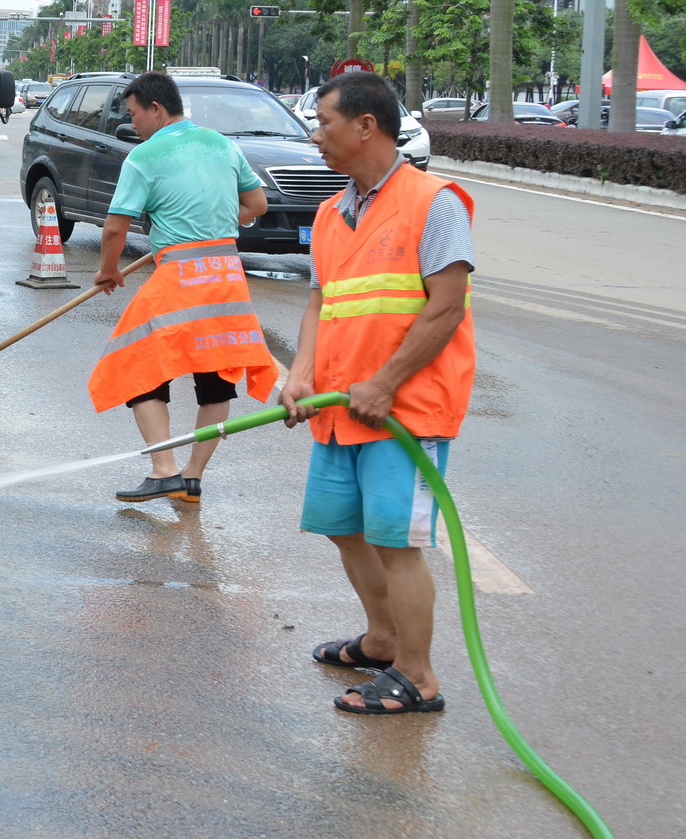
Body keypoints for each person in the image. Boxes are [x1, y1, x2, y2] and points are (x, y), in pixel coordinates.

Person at [278, 70, 475, 715]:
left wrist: (387, 383)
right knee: (345, 530)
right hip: (340, 407)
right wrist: (299, 374)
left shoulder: (433, 199)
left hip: (404, 412)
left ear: (366, 126)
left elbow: (445, 309)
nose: (316, 135)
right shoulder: (333, 213)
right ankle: (383, 640)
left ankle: (417, 678)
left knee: (397, 542)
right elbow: (318, 302)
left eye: (325, 123)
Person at [89, 72, 277, 505]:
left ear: (156, 109)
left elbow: (116, 228)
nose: (132, 124)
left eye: (134, 114)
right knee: (215, 378)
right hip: (227, 278)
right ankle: (192, 476)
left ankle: (164, 469)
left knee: (136, 365)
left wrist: (108, 271)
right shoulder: (223, 145)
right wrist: (215, 227)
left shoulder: (145, 156)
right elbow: (257, 205)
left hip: (179, 280)